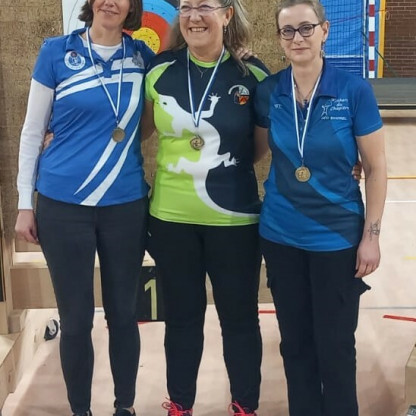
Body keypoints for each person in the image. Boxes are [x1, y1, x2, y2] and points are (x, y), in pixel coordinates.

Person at [14, 1, 154, 415]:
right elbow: (32, 131)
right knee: (75, 320)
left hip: (124, 204)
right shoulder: (56, 52)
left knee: (123, 314)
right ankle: (81, 410)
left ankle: (124, 407)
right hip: (62, 205)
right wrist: (24, 203)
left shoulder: (143, 58)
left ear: (132, 6)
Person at [254, 1, 387, 415]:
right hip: (280, 236)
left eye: (306, 28)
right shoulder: (269, 91)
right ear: (279, 38)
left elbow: (376, 167)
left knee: (335, 346)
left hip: (336, 238)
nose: (298, 38)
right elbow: (252, 151)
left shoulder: (353, 91)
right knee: (295, 345)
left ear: (325, 31)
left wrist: (371, 236)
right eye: (288, 31)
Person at [141, 0, 270, 415]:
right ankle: (180, 404)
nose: (194, 16)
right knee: (181, 319)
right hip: (172, 220)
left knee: (240, 318)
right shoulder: (159, 70)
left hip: (234, 219)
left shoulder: (252, 74)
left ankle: (245, 405)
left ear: (227, 14)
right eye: (187, 7)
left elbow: (258, 148)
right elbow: (138, 132)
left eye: (205, 6)